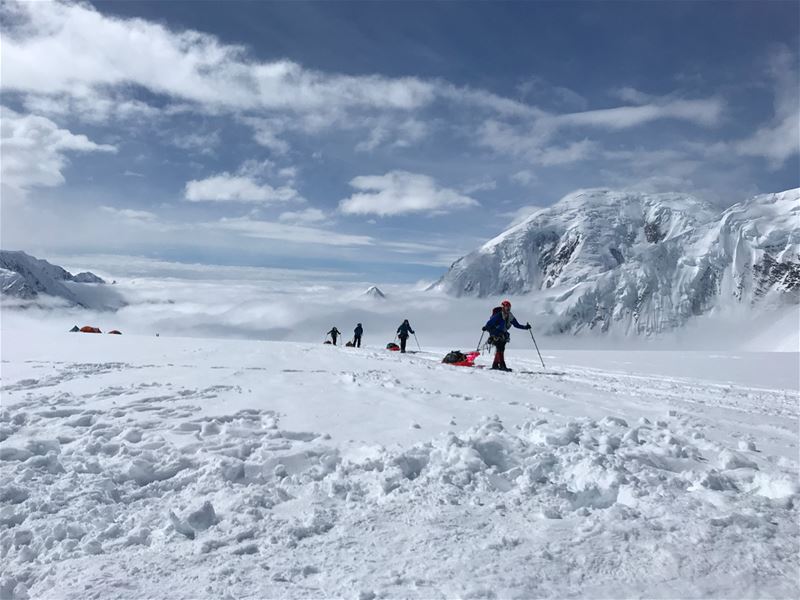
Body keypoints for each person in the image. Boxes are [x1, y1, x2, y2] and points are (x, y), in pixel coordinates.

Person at [482, 299, 531, 371]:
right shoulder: (498, 315)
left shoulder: (510, 316)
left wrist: (525, 327)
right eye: (507, 307)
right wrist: (486, 328)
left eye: (509, 307)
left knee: (500, 349)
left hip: (502, 334)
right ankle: (502, 365)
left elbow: (516, 325)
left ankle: (495, 365)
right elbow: (490, 323)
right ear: (503, 307)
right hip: (495, 334)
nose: (508, 308)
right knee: (500, 348)